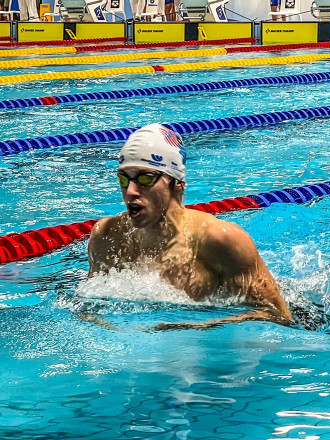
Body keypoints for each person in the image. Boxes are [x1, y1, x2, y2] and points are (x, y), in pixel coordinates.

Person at [87, 124, 291, 329]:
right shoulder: (106, 237)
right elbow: (91, 309)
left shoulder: (221, 241)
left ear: (177, 183)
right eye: (124, 178)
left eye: (145, 178)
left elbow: (277, 316)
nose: (130, 191)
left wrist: (190, 327)